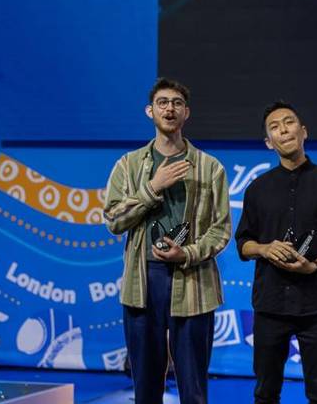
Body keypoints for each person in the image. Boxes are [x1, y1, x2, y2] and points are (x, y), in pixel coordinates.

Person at [103, 77, 231, 404]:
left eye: (176, 103)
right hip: (143, 281)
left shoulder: (210, 168)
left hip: (193, 280)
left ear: (186, 112)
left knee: (194, 387)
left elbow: (220, 230)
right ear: (150, 111)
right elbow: (114, 220)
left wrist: (186, 253)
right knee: (145, 387)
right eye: (162, 103)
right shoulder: (128, 165)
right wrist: (152, 188)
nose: (169, 109)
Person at [235, 101, 317, 404]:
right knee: (265, 392)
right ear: (268, 142)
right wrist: (264, 248)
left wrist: (314, 265)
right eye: (274, 127)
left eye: (289, 123)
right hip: (269, 306)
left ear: (303, 131)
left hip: (316, 306)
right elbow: (243, 243)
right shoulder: (257, 189)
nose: (283, 130)